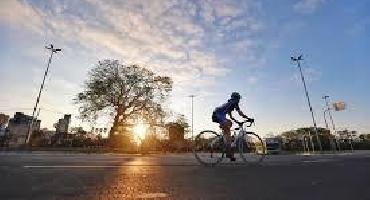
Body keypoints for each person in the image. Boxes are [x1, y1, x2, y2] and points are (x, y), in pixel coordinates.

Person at [212, 92, 253, 161]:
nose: (239, 100)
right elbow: (240, 113)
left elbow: (231, 116)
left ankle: (226, 141)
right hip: (218, 115)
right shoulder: (234, 103)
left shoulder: (230, 104)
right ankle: (228, 152)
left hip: (218, 115)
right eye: (239, 98)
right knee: (228, 132)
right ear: (236, 98)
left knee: (230, 124)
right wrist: (247, 118)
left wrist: (237, 121)